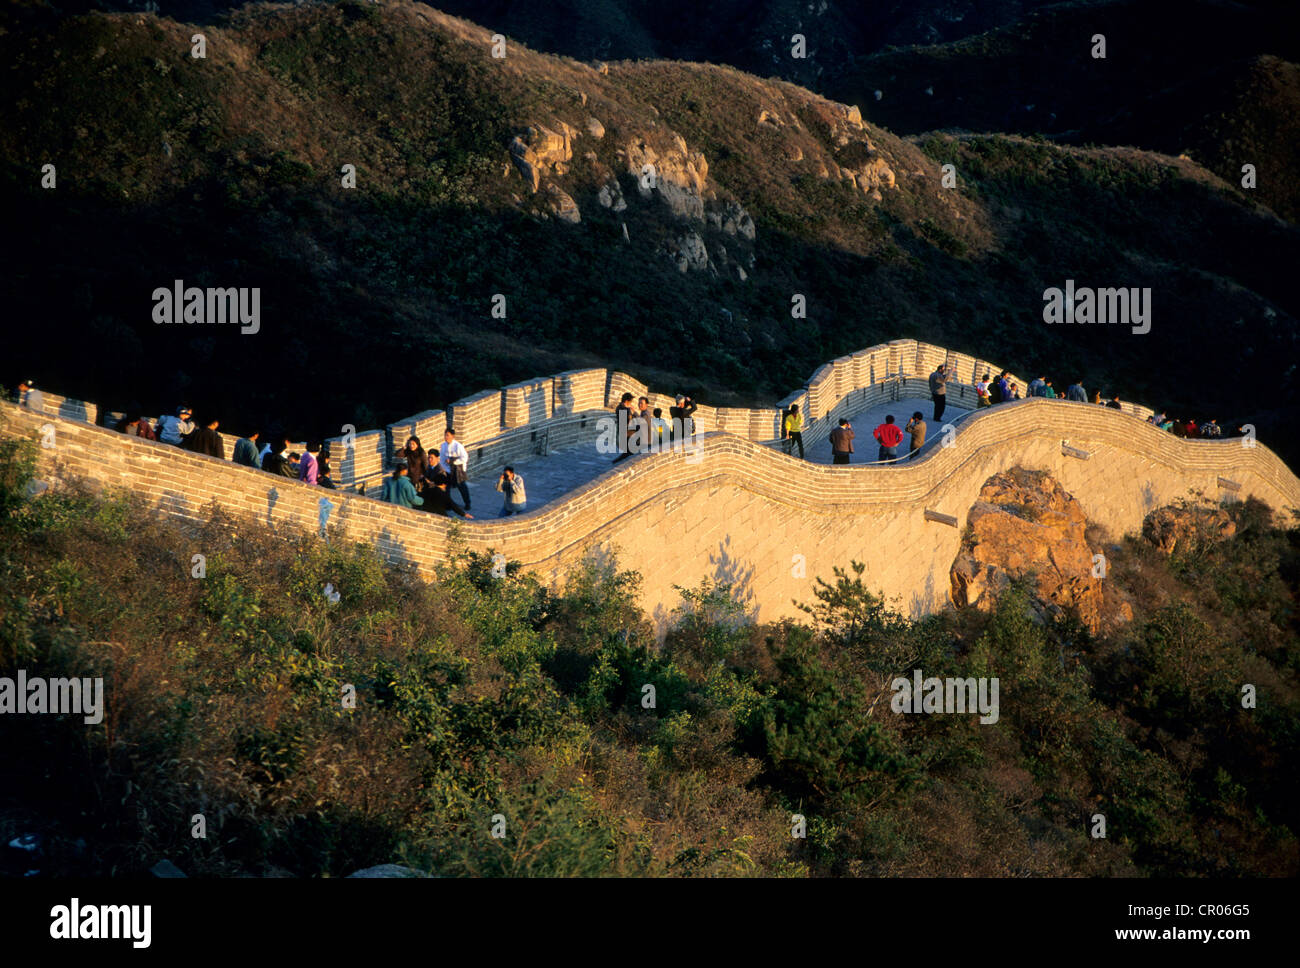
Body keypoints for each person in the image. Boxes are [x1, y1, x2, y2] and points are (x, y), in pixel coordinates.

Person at [437, 427, 471, 510]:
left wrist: (453, 461)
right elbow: (442, 458)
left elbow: (464, 458)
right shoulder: (443, 445)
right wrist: (444, 468)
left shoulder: (458, 446)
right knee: (446, 488)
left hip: (458, 469)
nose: (446, 437)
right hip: (448, 469)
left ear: (453, 436)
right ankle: (448, 504)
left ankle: (467, 503)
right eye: (445, 435)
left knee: (462, 487)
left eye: (448, 435)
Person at [612, 393, 636, 464]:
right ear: (626, 401)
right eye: (630, 401)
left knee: (628, 451)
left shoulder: (619, 407)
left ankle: (618, 461)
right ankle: (617, 462)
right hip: (628, 433)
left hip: (624, 432)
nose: (631, 403)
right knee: (629, 451)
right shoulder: (625, 409)